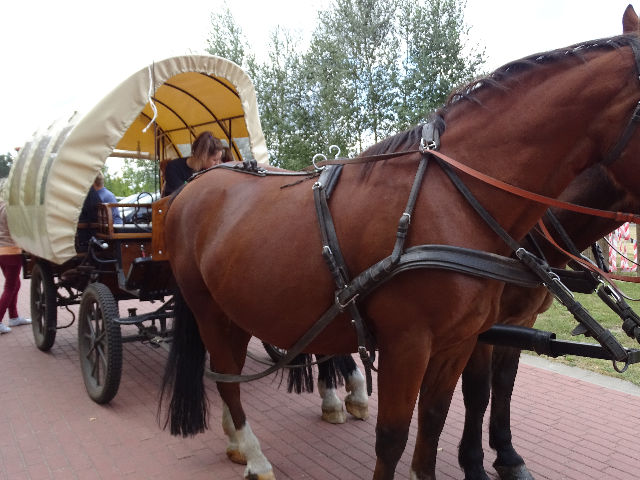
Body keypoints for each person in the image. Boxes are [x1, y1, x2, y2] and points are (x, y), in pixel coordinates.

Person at [0, 183, 30, 334]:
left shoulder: (1, 206)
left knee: (15, 284)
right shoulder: (11, 209)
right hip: (11, 251)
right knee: (10, 287)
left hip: (2, 251)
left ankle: (14, 317)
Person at [162, 132, 224, 197]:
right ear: (203, 156)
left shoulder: (211, 171)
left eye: (219, 159)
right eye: (215, 160)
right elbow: (180, 196)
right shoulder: (173, 167)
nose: (217, 163)